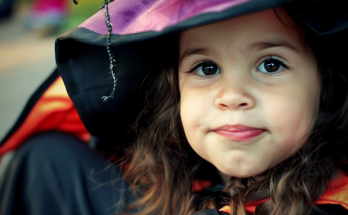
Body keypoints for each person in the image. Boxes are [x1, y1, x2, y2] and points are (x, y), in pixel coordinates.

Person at [1, 0, 348, 214]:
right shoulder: (176, 164)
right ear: (176, 92)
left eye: (270, 65)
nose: (231, 95)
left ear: (325, 84)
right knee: (46, 159)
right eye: (206, 68)